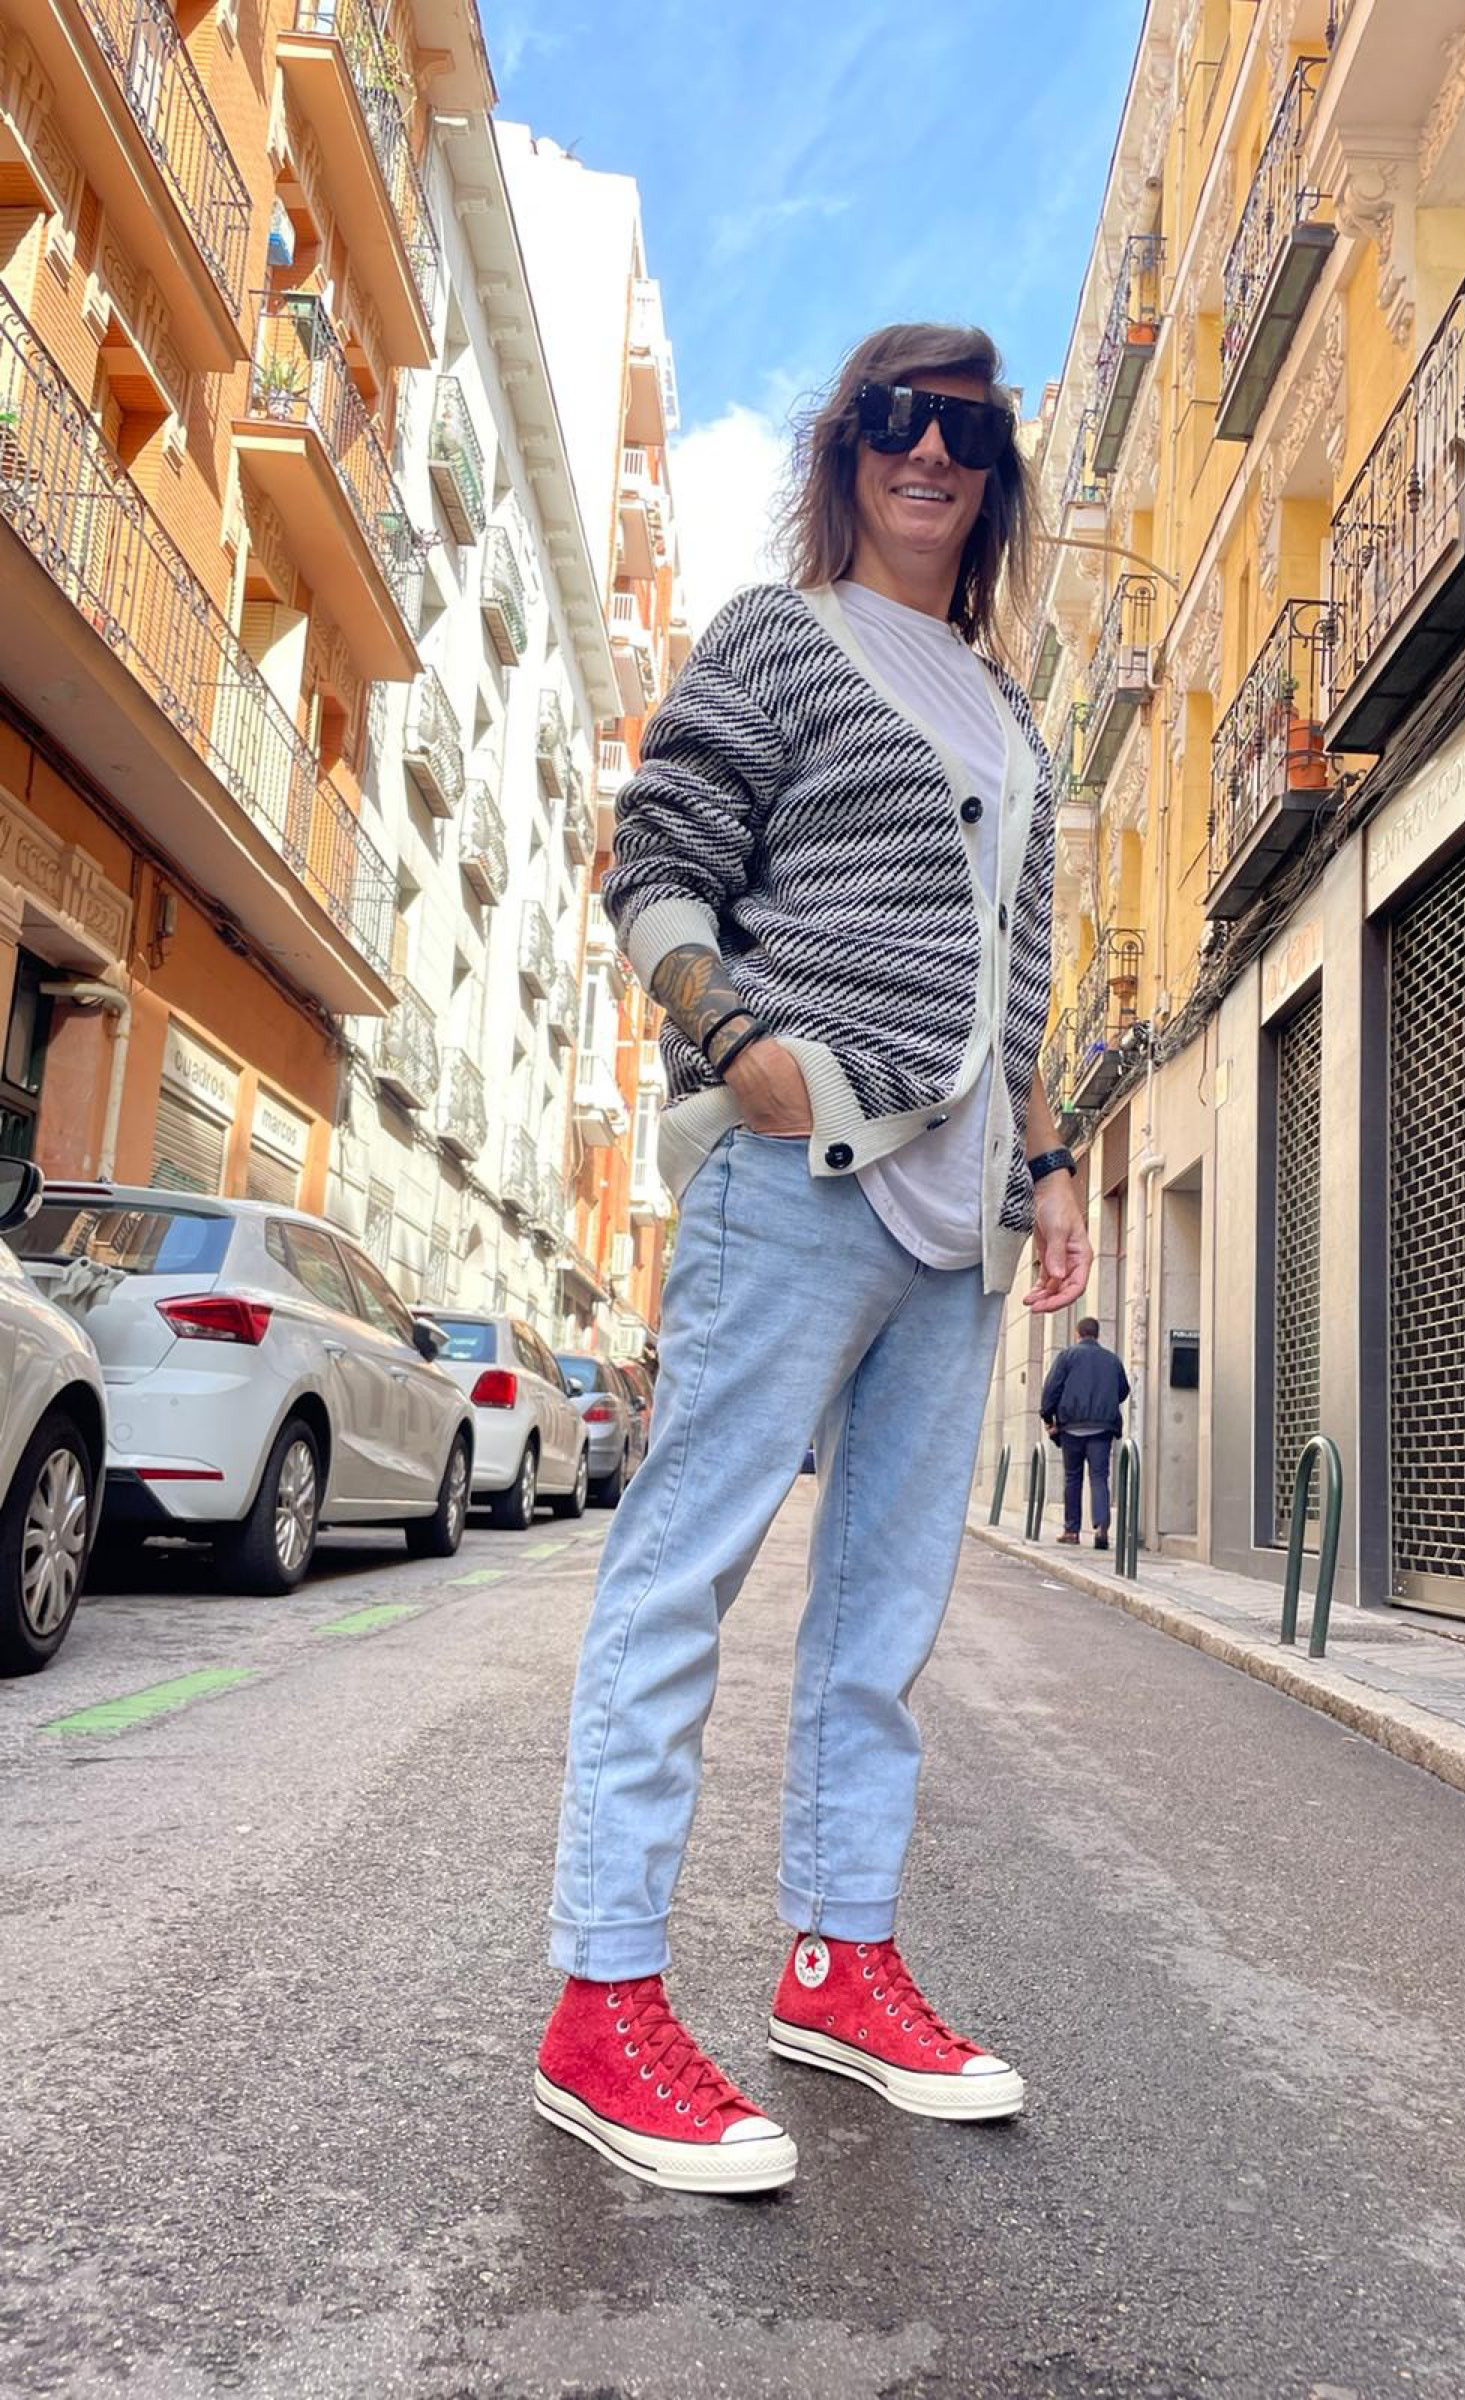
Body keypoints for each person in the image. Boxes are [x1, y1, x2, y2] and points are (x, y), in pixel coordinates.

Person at [533, 324, 1093, 2196]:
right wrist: (735, 1044)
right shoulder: (780, 639)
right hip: (799, 1173)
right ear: (847, 447)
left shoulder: (1013, 717)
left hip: (956, 1219)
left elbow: (1018, 977)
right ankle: (602, 2003)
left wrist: (1052, 1160)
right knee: (682, 1573)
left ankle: (839, 1964)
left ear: (996, 476)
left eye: (967, 432)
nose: (930, 453)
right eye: (896, 421)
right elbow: (657, 864)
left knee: (885, 1620)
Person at [1041, 1318, 1130, 1550]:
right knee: (1099, 1477)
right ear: (1097, 1335)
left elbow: (1051, 1389)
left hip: (1071, 1427)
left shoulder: (1067, 1357)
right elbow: (1123, 1390)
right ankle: (1101, 1527)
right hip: (1102, 1428)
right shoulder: (1112, 1360)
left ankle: (1072, 1531)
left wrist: (1048, 1418)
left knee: (1073, 1477)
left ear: (1077, 1333)